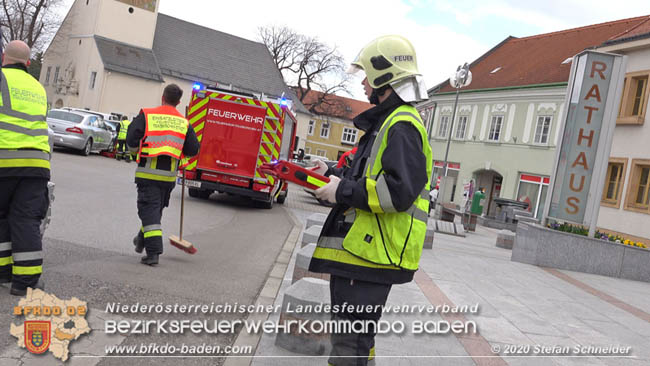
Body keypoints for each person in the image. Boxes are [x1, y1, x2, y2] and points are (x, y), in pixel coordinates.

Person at [310, 35, 432, 366]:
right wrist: (331, 172)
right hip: (365, 252)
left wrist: (342, 191)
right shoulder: (388, 123)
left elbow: (398, 192)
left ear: (384, 76)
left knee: (349, 347)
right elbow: (365, 174)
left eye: (366, 74)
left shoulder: (402, 125)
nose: (363, 82)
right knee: (358, 341)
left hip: (370, 253)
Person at [127, 84, 199, 265]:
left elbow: (131, 139)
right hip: (168, 179)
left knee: (149, 210)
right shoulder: (183, 123)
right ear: (179, 102)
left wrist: (136, 152)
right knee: (154, 211)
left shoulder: (147, 115)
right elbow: (193, 150)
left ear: (163, 97)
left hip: (148, 174)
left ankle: (153, 253)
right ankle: (141, 239)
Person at [0, 40, 50, 296]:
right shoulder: (38, 88)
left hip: (4, 159)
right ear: (28, 63)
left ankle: (3, 272)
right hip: (36, 164)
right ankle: (26, 282)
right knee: (25, 219)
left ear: (3, 57)